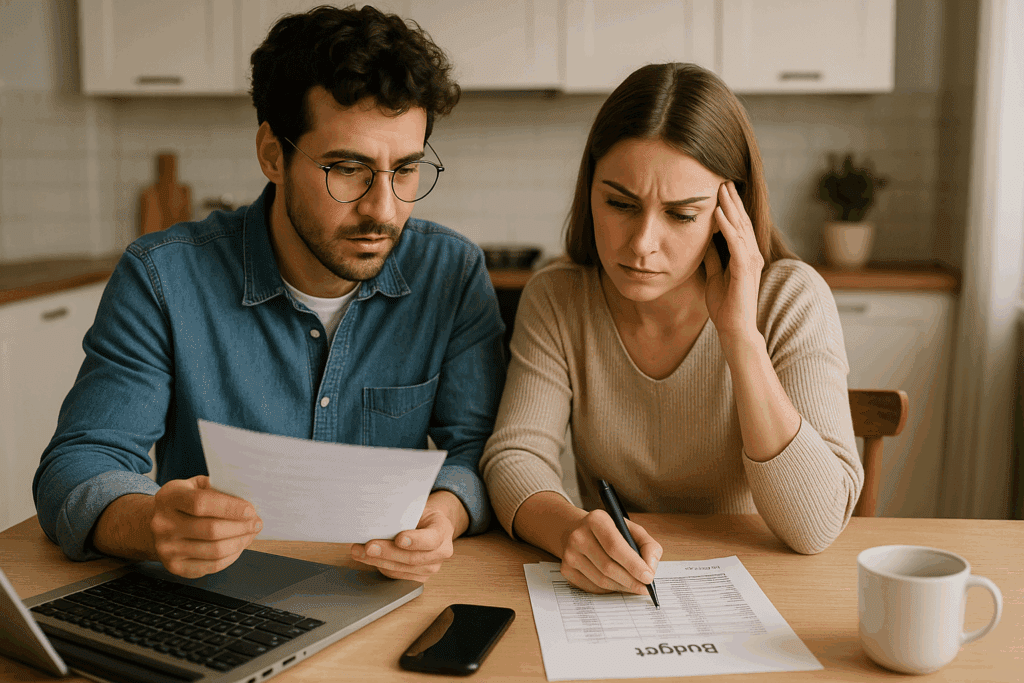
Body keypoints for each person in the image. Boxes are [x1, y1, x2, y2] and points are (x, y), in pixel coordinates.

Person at [33, 5, 506, 582]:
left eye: (404, 170)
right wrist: (150, 522)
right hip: (211, 605)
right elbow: (79, 465)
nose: (383, 209)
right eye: (346, 169)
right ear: (271, 154)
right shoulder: (162, 278)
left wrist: (444, 513)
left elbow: (478, 455)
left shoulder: (450, 273)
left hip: (380, 593)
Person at [479, 63, 861, 597]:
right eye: (619, 204)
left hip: (769, 588)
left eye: (681, 214)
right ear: (590, 189)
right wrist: (573, 532)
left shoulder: (791, 298)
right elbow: (514, 457)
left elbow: (816, 526)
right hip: (616, 592)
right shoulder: (559, 297)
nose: (640, 244)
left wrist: (740, 337)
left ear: (731, 213)